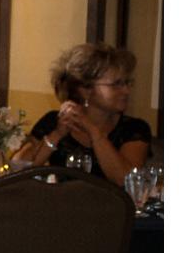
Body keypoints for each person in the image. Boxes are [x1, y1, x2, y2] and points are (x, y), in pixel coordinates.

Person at [14, 41, 152, 183]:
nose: (126, 91)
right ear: (85, 90)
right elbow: (18, 169)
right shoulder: (53, 121)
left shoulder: (134, 129)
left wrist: (93, 131)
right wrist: (57, 134)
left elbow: (126, 180)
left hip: (110, 204)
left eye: (127, 83)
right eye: (116, 84)